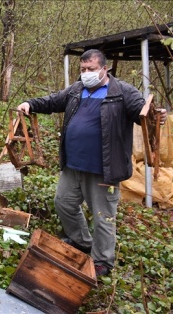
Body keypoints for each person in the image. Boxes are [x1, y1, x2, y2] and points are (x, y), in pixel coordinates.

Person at [16, 49, 168, 277]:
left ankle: (102, 261)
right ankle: (82, 241)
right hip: (73, 166)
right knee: (63, 203)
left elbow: (143, 113)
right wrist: (30, 103)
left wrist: (157, 115)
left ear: (104, 69)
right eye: (83, 69)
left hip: (103, 171)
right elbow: (53, 101)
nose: (86, 73)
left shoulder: (123, 92)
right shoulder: (76, 90)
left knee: (103, 217)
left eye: (91, 69)